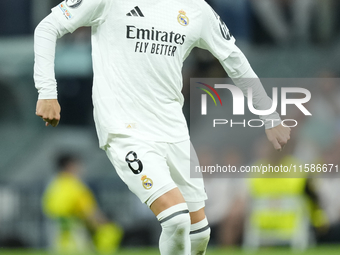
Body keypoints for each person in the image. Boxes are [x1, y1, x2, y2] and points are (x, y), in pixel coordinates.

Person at [34, 1, 290, 254]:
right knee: (177, 219)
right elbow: (47, 27)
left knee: (199, 232)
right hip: (126, 129)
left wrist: (269, 115)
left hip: (174, 131)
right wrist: (47, 91)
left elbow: (233, 57)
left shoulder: (196, 9)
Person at [42, 153, 123, 253]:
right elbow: (90, 213)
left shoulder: (54, 185)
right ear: (70, 166)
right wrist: (107, 226)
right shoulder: (76, 186)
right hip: (74, 230)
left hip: (55, 231)